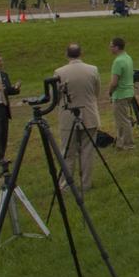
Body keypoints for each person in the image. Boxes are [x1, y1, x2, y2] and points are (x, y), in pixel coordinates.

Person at [54, 44, 101, 192]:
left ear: (66, 54)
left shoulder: (59, 72)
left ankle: (66, 184)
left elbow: (56, 96)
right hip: (89, 114)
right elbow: (96, 91)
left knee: (67, 152)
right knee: (87, 151)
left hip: (68, 116)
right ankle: (85, 183)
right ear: (81, 53)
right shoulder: (92, 69)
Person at [108, 37, 135, 150]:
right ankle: (121, 141)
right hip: (129, 92)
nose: (110, 48)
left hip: (120, 93)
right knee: (123, 118)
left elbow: (114, 82)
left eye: (111, 46)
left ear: (117, 47)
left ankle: (128, 143)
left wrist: (110, 92)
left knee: (122, 120)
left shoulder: (118, 61)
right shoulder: (128, 57)